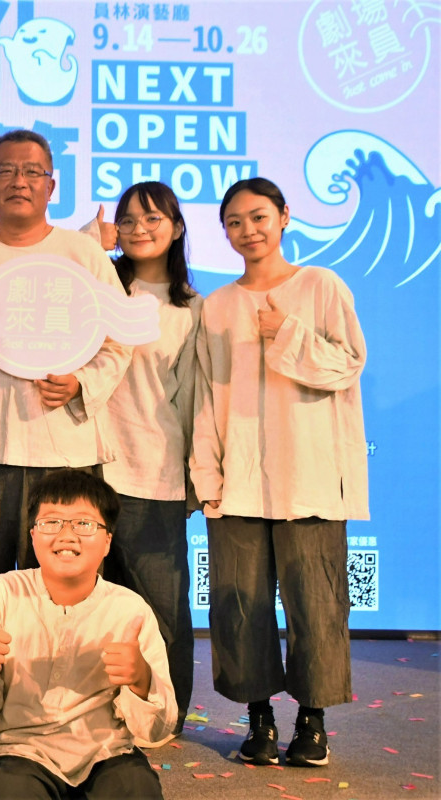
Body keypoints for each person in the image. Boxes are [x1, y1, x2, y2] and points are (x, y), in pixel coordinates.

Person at [0, 129, 132, 666]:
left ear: (51, 186)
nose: (19, 181)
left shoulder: (83, 253)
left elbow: (119, 341)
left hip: (65, 453)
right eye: (6, 171)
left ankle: (64, 695)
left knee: (67, 588)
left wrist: (81, 383)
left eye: (32, 171)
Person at [191, 177, 368, 768]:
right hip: (237, 479)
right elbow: (205, 397)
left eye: (259, 216)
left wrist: (287, 334)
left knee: (316, 604)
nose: (249, 230)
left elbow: (349, 364)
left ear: (285, 216)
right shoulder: (216, 306)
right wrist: (207, 476)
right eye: (235, 222)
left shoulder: (321, 285)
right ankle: (260, 719)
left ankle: (312, 723)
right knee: (238, 605)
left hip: (309, 476)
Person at [0, 469, 176, 799]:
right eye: (51, 522)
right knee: (10, 790)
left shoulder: (129, 610)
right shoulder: (2, 594)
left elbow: (156, 729)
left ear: (107, 541)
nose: (67, 535)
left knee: (135, 788)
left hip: (103, 753)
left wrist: (141, 679)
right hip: (12, 750)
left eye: (84, 523)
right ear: (33, 535)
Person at [100, 182, 202, 741]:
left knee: (162, 607)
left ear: (177, 227)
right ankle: (97, 709)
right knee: (93, 602)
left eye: (153, 218)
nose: (139, 228)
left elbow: (195, 399)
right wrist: (92, 247)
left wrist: (196, 475)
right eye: (128, 220)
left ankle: (165, 712)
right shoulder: (96, 286)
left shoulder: (191, 309)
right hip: (89, 465)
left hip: (154, 470)